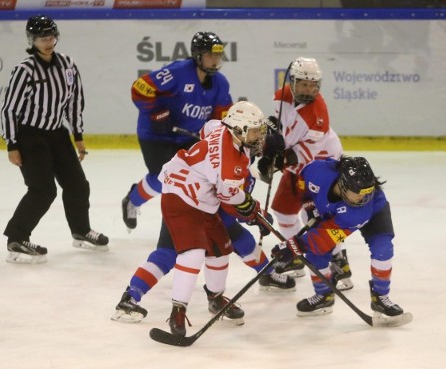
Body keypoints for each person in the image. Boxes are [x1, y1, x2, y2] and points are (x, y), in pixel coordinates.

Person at [152, 101, 266, 336]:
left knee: (220, 249)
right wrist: (253, 210)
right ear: (238, 130)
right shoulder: (230, 164)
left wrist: (251, 208)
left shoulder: (221, 127)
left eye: (259, 130)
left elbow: (208, 128)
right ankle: (178, 311)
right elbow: (229, 197)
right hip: (179, 197)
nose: (258, 135)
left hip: (202, 199)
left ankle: (215, 299)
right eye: (254, 131)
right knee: (193, 253)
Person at [0, 15, 108, 264]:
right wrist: (12, 144)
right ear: (32, 40)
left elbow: (74, 102)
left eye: (51, 36)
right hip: (30, 137)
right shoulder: (25, 70)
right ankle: (16, 238)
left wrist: (78, 136)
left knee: (78, 185)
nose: (48, 42)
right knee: (42, 190)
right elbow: (9, 109)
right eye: (42, 38)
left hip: (57, 135)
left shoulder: (67, 65)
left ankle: (81, 230)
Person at [111, 183, 296, 324]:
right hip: (190, 212)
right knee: (167, 255)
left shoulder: (237, 152)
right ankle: (130, 298)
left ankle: (265, 275)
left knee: (242, 240)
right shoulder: (226, 155)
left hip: (191, 207)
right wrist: (254, 214)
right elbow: (228, 200)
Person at [121, 31, 233, 232]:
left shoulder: (221, 84)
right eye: (210, 55)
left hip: (187, 136)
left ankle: (197, 222)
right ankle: (132, 199)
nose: (215, 60)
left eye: (218, 55)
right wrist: (156, 113)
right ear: (198, 55)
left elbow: (221, 117)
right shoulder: (178, 72)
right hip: (156, 134)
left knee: (199, 177)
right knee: (161, 177)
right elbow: (140, 88)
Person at [271, 155, 406, 318]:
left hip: (375, 210)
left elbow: (323, 239)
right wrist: (309, 205)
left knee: (383, 249)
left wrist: (293, 247)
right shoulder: (316, 171)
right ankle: (324, 296)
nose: (363, 197)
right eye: (358, 193)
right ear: (343, 184)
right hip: (335, 210)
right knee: (315, 255)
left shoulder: (358, 211)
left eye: (367, 191)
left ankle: (380, 297)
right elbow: (303, 183)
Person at [257, 57, 352, 289]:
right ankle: (299, 257)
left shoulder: (318, 116)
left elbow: (300, 155)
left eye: (313, 85)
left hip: (322, 165)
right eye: (303, 84)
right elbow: (281, 130)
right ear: (292, 81)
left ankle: (340, 263)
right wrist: (270, 152)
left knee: (319, 218)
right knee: (283, 211)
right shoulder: (281, 96)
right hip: (298, 164)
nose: (308, 90)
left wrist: (273, 160)